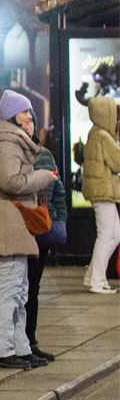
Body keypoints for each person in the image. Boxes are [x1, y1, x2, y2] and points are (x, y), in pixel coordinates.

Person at [0, 90, 57, 369]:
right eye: (24, 111)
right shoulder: (7, 145)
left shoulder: (11, 142)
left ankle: (19, 345)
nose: (29, 116)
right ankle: (1, 349)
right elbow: (12, 182)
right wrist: (43, 177)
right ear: (12, 114)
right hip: (8, 220)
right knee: (7, 288)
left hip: (15, 220)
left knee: (19, 288)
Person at [26, 119, 67, 360]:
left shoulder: (45, 154)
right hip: (20, 230)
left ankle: (30, 341)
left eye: (30, 120)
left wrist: (58, 220)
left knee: (33, 287)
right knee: (17, 289)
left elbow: (58, 190)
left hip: (42, 228)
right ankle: (15, 343)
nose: (28, 126)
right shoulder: (8, 153)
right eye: (22, 121)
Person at [81, 95, 120, 293]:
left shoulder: (94, 133)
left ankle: (93, 277)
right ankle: (96, 280)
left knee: (113, 234)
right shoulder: (103, 136)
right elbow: (117, 162)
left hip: (102, 192)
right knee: (107, 235)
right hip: (104, 192)